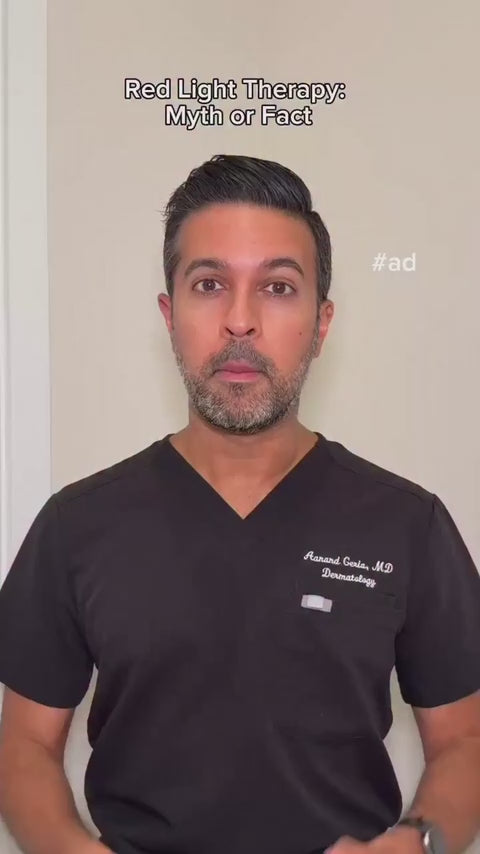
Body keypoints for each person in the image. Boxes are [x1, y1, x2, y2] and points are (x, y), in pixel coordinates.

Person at [0, 154, 479, 854]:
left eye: (278, 288)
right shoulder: (76, 526)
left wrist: (418, 842)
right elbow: (23, 745)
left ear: (322, 323)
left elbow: (465, 740)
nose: (240, 321)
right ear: (169, 314)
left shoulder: (409, 525)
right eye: (209, 284)